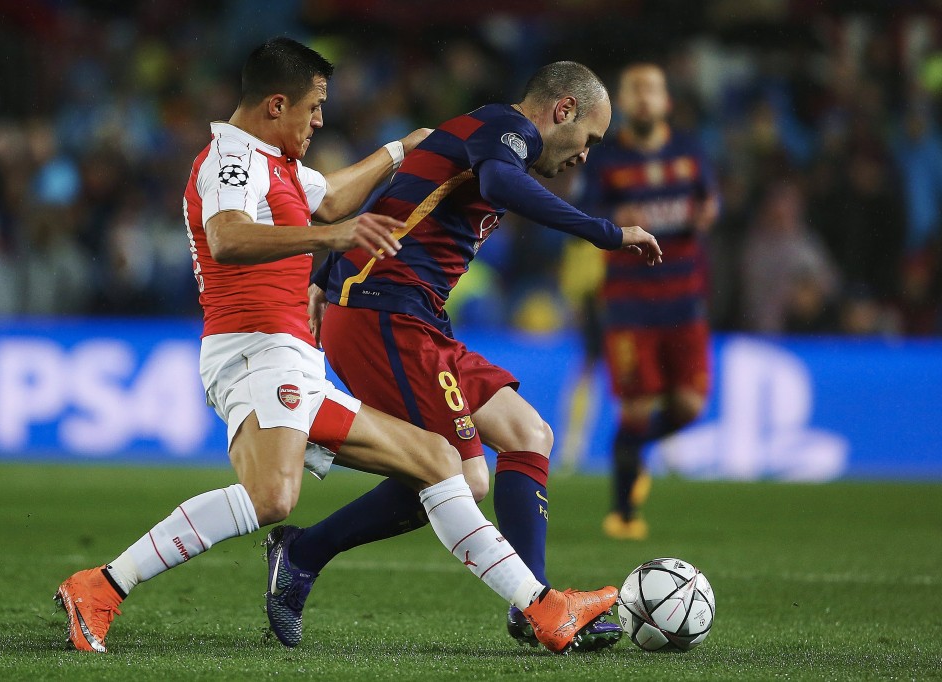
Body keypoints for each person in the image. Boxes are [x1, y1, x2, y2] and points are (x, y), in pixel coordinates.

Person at [53, 38, 621, 656]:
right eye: (314, 106)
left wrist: (399, 151)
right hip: (255, 349)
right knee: (272, 496)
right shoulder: (230, 161)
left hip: (294, 355)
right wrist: (335, 238)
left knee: (438, 461)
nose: (321, 120)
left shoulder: (276, 164)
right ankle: (103, 584)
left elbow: (331, 198)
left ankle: (539, 605)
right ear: (277, 105)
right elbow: (229, 238)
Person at [262, 61, 662, 648]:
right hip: (383, 313)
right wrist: (605, 232)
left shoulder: (477, 131)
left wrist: (326, 273)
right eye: (589, 140)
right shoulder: (507, 130)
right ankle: (303, 552)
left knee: (529, 434)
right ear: (563, 110)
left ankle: (532, 603)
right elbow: (499, 184)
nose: (584, 156)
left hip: (416, 318)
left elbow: (401, 193)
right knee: (462, 475)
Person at [576, 63, 719, 540]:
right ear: (620, 102)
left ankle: (631, 452)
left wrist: (707, 213)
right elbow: (585, 214)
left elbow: (709, 203)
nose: (642, 97)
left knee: (690, 405)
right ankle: (623, 512)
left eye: (651, 89)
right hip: (630, 303)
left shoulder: (689, 151)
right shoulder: (606, 159)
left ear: (666, 101)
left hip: (684, 299)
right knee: (636, 409)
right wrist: (617, 217)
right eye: (633, 89)